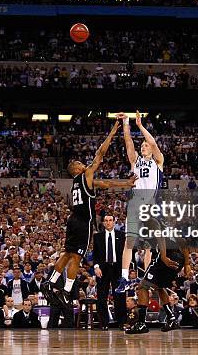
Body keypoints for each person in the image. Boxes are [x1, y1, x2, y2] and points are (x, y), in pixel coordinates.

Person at [42, 121, 136, 308]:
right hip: (83, 222)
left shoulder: (81, 181)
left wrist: (127, 183)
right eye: (78, 163)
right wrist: (112, 131)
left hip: (73, 220)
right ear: (76, 169)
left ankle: (50, 282)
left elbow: (107, 184)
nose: (82, 163)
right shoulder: (86, 175)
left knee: (68, 253)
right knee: (76, 256)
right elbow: (100, 154)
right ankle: (67, 291)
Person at [115, 111, 164, 294]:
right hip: (135, 203)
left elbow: (152, 142)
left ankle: (147, 277)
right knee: (129, 242)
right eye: (142, 145)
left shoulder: (158, 161)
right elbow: (128, 143)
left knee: (149, 246)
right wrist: (127, 123)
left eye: (145, 145)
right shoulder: (135, 161)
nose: (143, 146)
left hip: (150, 204)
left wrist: (140, 125)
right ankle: (124, 278)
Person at [126, 234, 190, 334]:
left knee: (142, 286)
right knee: (160, 287)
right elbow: (183, 242)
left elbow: (162, 238)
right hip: (178, 259)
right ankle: (171, 318)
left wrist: (163, 256)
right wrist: (186, 264)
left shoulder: (154, 222)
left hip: (166, 258)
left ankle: (141, 323)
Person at [92, 215, 126, 330]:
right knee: (101, 297)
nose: (108, 222)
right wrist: (96, 267)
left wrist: (125, 271)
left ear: (114, 221)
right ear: (103, 222)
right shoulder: (97, 236)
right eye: (106, 220)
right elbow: (95, 254)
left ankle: (121, 323)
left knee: (120, 296)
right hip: (103, 269)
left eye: (110, 220)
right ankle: (104, 323)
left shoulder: (122, 236)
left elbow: (126, 254)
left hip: (118, 269)